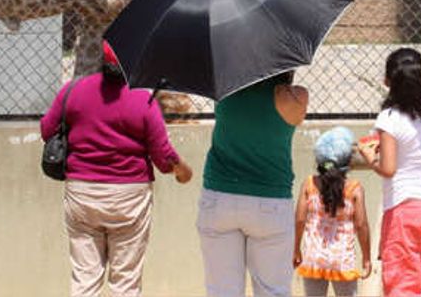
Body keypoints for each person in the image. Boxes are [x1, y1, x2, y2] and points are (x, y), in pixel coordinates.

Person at [40, 41, 193, 297]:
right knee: (125, 281)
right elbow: (163, 156)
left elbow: (47, 130)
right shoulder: (143, 101)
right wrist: (181, 169)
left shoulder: (73, 90)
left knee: (85, 278)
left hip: (82, 193)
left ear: (102, 60)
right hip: (129, 197)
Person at [197, 71, 308, 297]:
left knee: (221, 291)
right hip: (271, 202)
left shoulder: (224, 89)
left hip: (219, 197)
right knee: (273, 291)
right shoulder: (295, 98)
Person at [358, 48, 421, 297]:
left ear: (388, 81)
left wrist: (370, 158)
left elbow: (388, 169)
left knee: (401, 281)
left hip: (402, 208)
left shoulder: (389, 117)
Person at [293, 127, 372, 297]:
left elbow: (300, 220)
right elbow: (361, 225)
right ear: (348, 160)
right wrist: (366, 257)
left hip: (313, 259)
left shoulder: (309, 184)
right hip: (342, 261)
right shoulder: (355, 189)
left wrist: (296, 249)